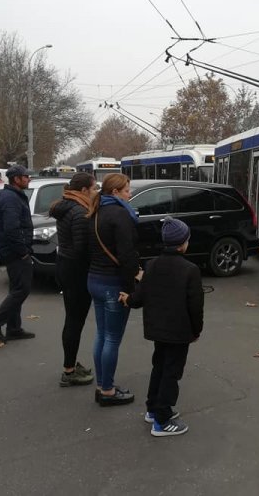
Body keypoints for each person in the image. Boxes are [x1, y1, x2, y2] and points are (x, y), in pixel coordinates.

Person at [120, 217, 204, 437]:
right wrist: (196, 331)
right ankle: (162, 420)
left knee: (159, 367)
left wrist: (128, 299)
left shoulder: (152, 264)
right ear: (182, 243)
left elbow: (140, 296)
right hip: (179, 332)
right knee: (171, 374)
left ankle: (153, 408)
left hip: (157, 330)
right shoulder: (190, 270)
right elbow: (196, 306)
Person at [88, 173, 139, 406]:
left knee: (101, 334)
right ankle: (107, 390)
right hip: (113, 283)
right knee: (112, 338)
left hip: (95, 279)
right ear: (116, 193)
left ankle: (101, 385)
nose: (130, 194)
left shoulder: (95, 211)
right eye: (127, 190)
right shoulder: (120, 215)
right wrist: (130, 289)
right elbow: (127, 255)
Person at [49, 172, 97, 387]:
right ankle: (69, 371)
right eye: (94, 188)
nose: (96, 192)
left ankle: (70, 364)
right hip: (76, 272)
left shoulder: (66, 205)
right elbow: (81, 250)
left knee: (72, 320)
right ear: (84, 190)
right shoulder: (79, 212)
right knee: (74, 322)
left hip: (65, 266)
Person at [0, 165, 36, 343]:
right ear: (16, 179)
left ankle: (14, 329)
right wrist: (23, 252)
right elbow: (12, 229)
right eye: (25, 177)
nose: (28, 179)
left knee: (16, 289)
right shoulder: (11, 198)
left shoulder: (13, 195)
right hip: (15, 252)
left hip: (12, 250)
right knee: (22, 290)